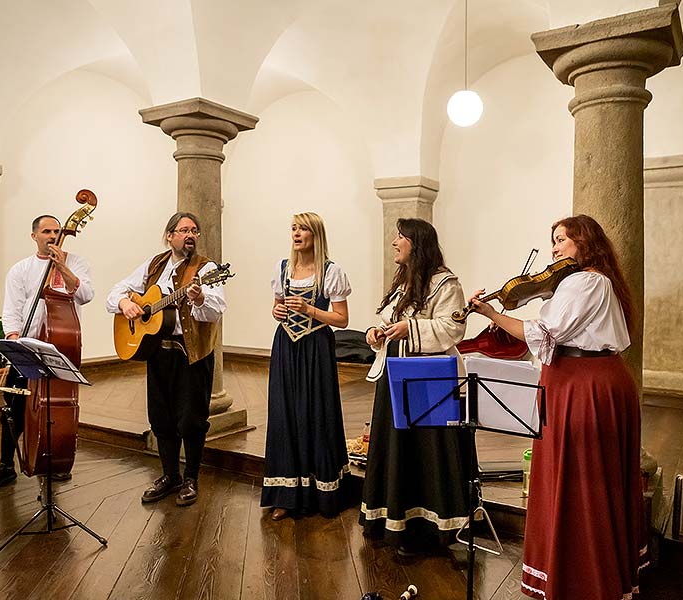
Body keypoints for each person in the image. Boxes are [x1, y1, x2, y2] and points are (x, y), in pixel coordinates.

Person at [467, 214, 647, 599]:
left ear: (585, 242)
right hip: (588, 380)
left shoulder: (586, 281)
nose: (554, 249)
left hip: (584, 385)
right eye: (552, 241)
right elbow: (545, 334)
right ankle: (593, 570)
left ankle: (584, 578)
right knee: (592, 478)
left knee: (581, 480)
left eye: (562, 239)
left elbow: (544, 332)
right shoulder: (590, 282)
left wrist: (493, 314)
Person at [359, 218, 471, 554]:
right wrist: (376, 333)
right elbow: (391, 320)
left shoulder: (445, 283)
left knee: (425, 452)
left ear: (417, 243)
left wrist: (411, 329)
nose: (394, 242)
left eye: (401, 237)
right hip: (395, 374)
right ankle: (392, 519)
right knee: (396, 448)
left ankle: (427, 529)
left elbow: (452, 329)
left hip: (427, 379)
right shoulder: (404, 282)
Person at [106, 211, 226, 506]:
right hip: (157, 352)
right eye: (184, 230)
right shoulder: (154, 265)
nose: (191, 235)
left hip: (192, 354)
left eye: (195, 231)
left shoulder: (206, 268)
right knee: (161, 418)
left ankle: (191, 478)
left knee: (192, 420)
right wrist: (125, 303)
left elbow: (216, 309)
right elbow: (115, 292)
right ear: (169, 235)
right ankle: (170, 475)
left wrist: (198, 298)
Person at [0, 215, 94, 493]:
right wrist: (15, 339)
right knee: (13, 409)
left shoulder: (76, 263)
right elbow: (12, 309)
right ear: (34, 236)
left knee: (57, 408)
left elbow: (86, 294)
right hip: (27, 347)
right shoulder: (21, 269)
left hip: (61, 347)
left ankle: (56, 460)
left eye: (56, 231)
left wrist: (62, 266)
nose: (52, 235)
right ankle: (6, 466)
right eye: (46, 231)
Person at [262, 212, 352, 521]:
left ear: (316, 235)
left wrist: (310, 309)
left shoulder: (331, 271)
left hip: (315, 347)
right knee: (285, 412)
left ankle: (322, 493)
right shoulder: (283, 268)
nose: (296, 234)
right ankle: (286, 494)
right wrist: (277, 311)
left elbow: (342, 319)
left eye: (303, 229)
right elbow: (276, 304)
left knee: (315, 412)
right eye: (293, 228)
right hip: (286, 345)